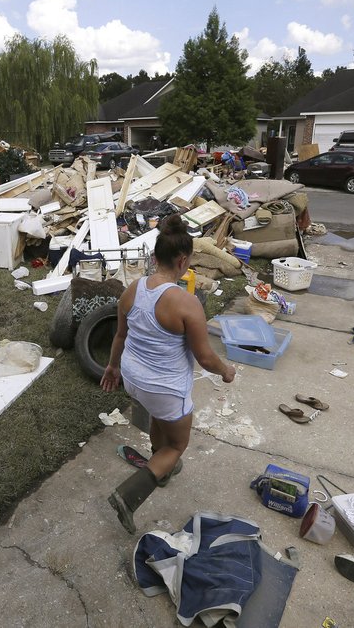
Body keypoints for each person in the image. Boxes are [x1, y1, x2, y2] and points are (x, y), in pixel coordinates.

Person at [101, 214, 236, 534]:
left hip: (133, 379)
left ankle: (159, 469)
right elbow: (205, 357)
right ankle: (128, 496)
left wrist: (112, 366)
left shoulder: (133, 289)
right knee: (177, 446)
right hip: (164, 387)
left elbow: (120, 336)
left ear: (153, 257)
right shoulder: (186, 303)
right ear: (182, 260)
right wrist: (226, 371)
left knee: (162, 420)